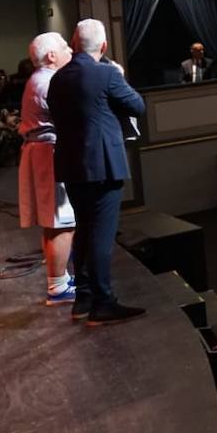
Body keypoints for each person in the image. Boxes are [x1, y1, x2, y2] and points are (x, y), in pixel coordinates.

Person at [48, 19, 146, 325]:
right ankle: (104, 303)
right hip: (103, 164)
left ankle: (84, 298)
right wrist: (119, 76)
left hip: (71, 165)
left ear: (74, 44)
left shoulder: (58, 78)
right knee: (101, 236)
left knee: (84, 230)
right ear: (103, 47)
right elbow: (137, 106)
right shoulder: (106, 73)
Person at [17, 32, 77, 306]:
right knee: (62, 220)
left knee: (55, 221)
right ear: (51, 55)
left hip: (42, 152)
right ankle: (58, 285)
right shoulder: (49, 83)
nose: (70, 51)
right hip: (49, 154)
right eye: (65, 47)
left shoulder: (40, 80)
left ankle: (61, 278)